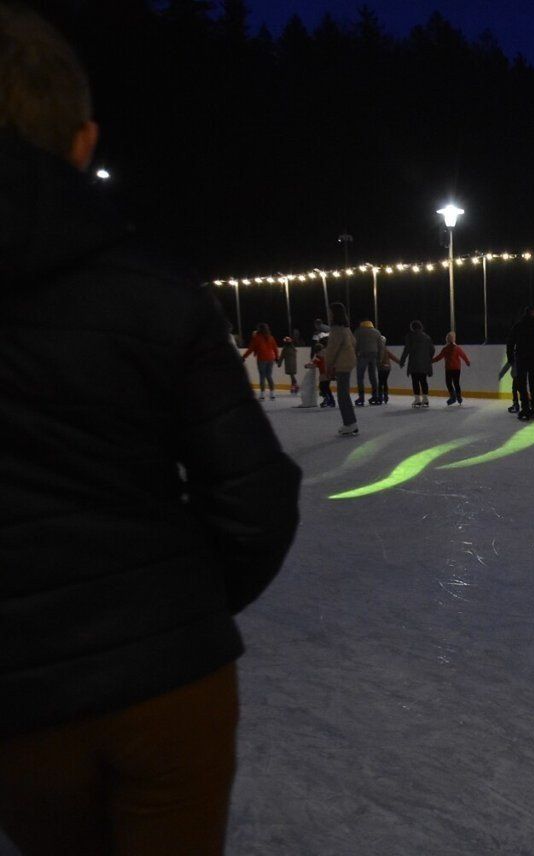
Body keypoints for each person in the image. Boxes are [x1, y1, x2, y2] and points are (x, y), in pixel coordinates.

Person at [0, 7, 301, 852]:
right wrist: (179, 611)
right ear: (83, 142)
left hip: (21, 701)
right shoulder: (153, 288)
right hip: (171, 685)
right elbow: (258, 497)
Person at [506, 305, 534, 421]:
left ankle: (525, 409)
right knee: (533, 385)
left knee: (522, 385)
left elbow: (510, 343)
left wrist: (510, 358)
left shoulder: (518, 326)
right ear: (533, 314)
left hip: (521, 359)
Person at [323, 302, 359, 435]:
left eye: (330, 312)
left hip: (342, 364)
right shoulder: (345, 328)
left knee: (342, 395)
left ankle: (349, 423)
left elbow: (332, 350)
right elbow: (354, 343)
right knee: (344, 394)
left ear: (334, 313)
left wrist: (328, 366)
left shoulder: (336, 329)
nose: (329, 314)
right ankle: (351, 422)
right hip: (348, 362)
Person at [401, 320, 435, 408]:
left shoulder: (410, 336)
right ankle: (425, 399)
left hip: (414, 363)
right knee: (423, 381)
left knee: (415, 381)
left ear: (412, 328)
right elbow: (432, 349)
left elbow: (406, 349)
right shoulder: (427, 337)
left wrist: (402, 361)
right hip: (424, 364)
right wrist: (428, 358)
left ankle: (417, 400)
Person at [241, 321, 279, 400]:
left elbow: (250, 349)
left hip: (262, 359)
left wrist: (244, 357)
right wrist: (276, 358)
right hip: (270, 359)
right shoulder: (270, 337)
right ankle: (272, 394)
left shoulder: (257, 338)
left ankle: (262, 394)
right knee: (269, 376)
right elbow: (275, 349)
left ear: (260, 329)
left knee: (262, 376)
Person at [433, 331, 471, 406]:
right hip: (456, 368)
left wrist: (431, 361)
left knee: (449, 383)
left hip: (449, 369)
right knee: (456, 383)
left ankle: (453, 396)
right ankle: (458, 397)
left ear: (447, 340)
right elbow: (463, 355)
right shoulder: (456, 348)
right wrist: (467, 362)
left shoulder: (446, 349)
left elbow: (439, 357)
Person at [353, 318, 382, 406]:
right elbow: (380, 346)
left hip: (362, 355)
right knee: (373, 377)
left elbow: (355, 344)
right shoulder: (377, 332)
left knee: (360, 377)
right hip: (374, 355)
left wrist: (355, 355)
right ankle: (375, 396)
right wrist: (379, 358)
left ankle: (361, 397)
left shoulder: (358, 332)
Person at [374, 334, 399, 405]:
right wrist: (399, 362)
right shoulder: (385, 349)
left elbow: (377, 358)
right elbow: (392, 357)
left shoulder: (378, 350)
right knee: (384, 382)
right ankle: (385, 396)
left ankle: (380, 397)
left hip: (382, 367)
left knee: (380, 382)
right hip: (388, 368)